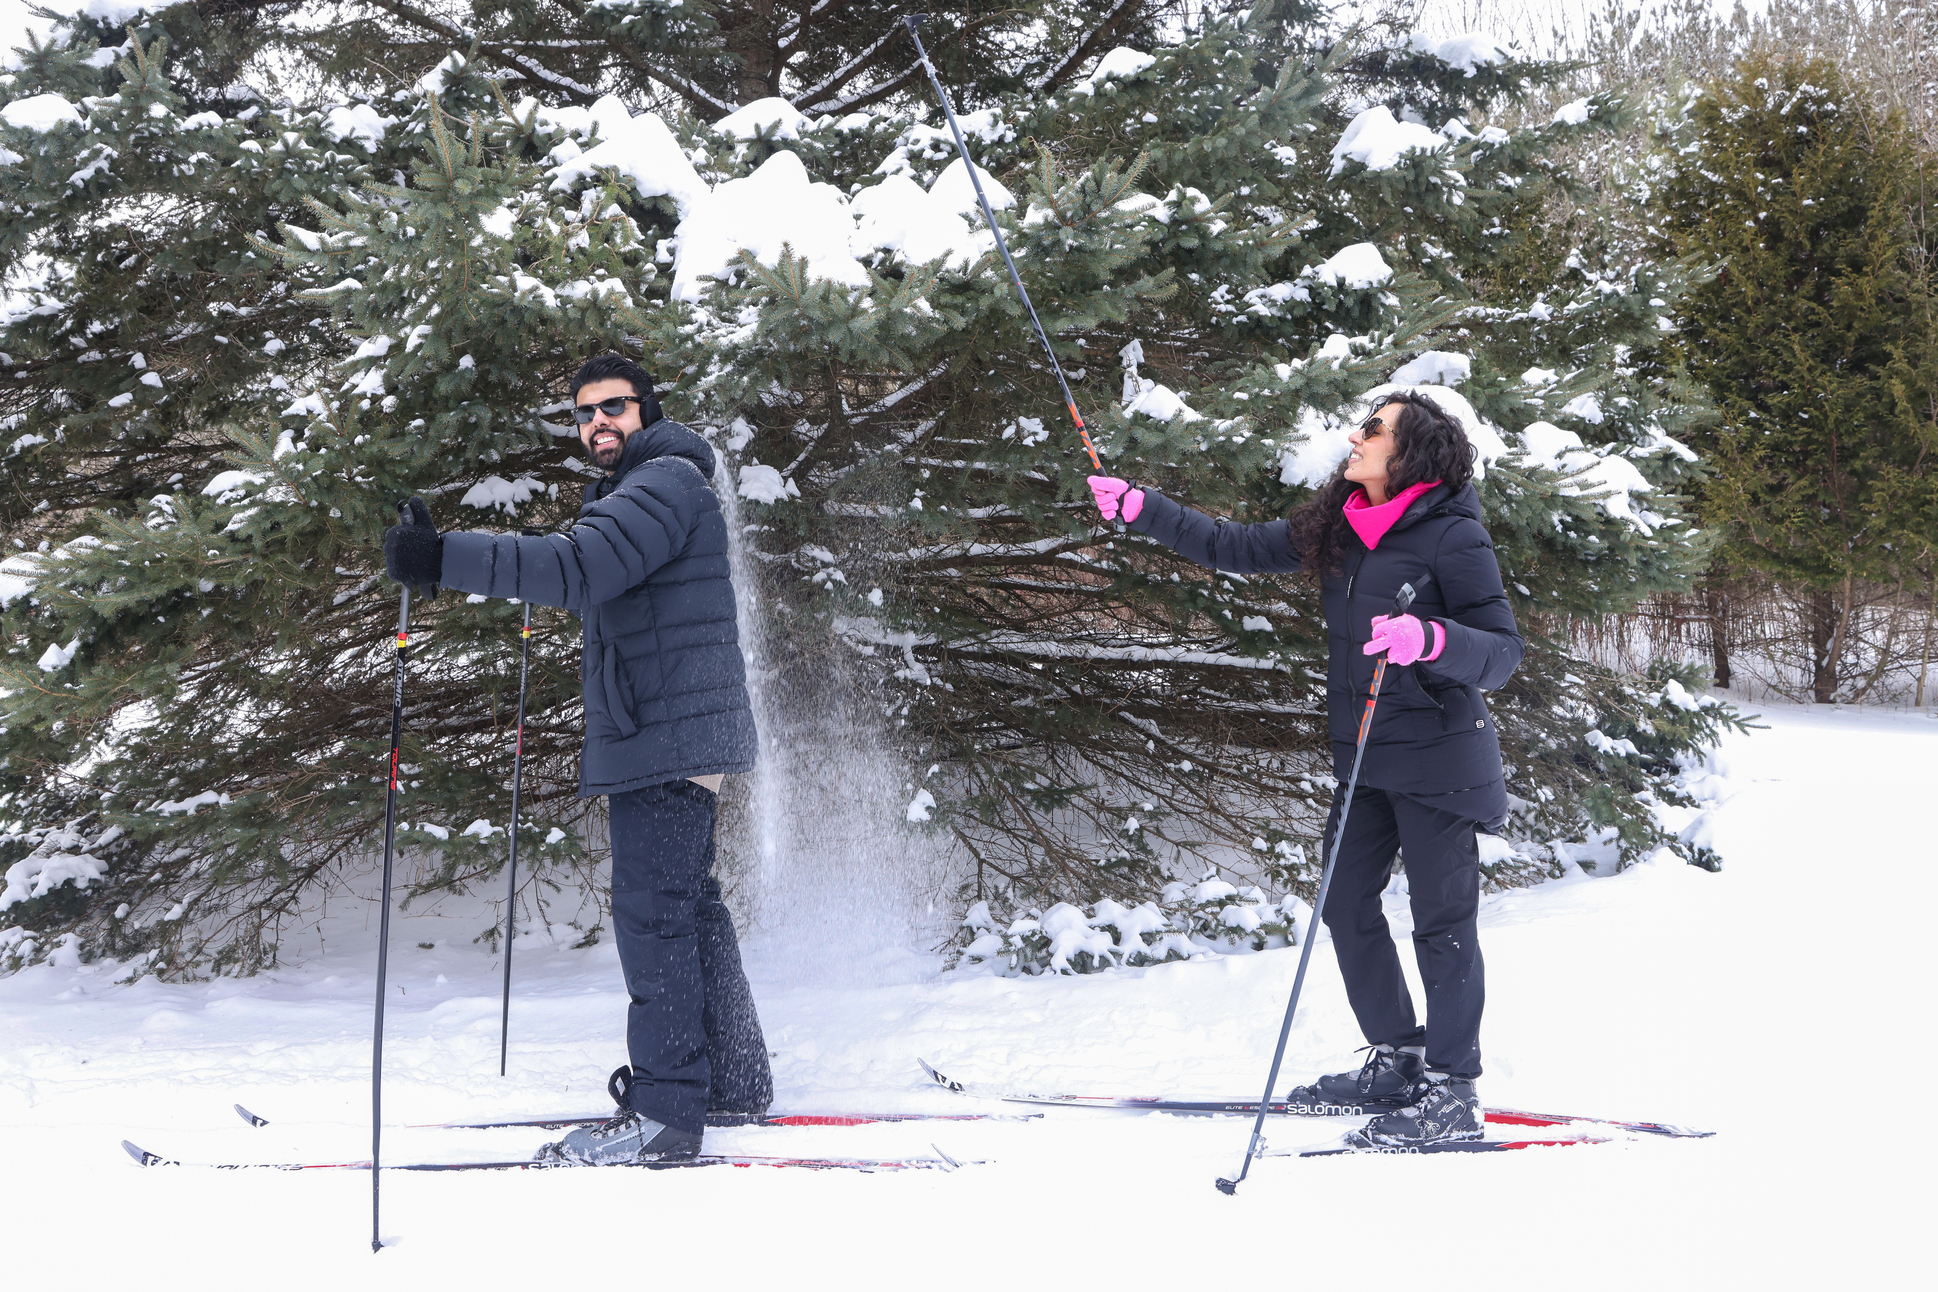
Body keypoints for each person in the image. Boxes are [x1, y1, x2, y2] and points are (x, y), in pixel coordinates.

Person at [1086, 390, 1524, 1148]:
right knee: (1345, 903)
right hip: (1366, 757)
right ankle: (1399, 1058)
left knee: (1442, 925)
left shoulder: (1454, 534)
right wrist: (1141, 507)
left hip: (1442, 763)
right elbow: (1235, 546)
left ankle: (1454, 1093)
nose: (1356, 438)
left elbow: (1502, 652)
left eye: (1374, 429)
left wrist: (1429, 639)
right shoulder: (1342, 523)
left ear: (1410, 451)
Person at [382, 354, 769, 1164]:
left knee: (654, 917)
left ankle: (665, 1118)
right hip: (674, 732)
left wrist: (440, 556)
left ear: (647, 410)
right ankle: (731, 1083)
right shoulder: (648, 488)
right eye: (584, 413)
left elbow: (579, 566)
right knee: (688, 908)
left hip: (667, 736)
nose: (598, 422)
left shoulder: (663, 481)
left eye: (614, 407)